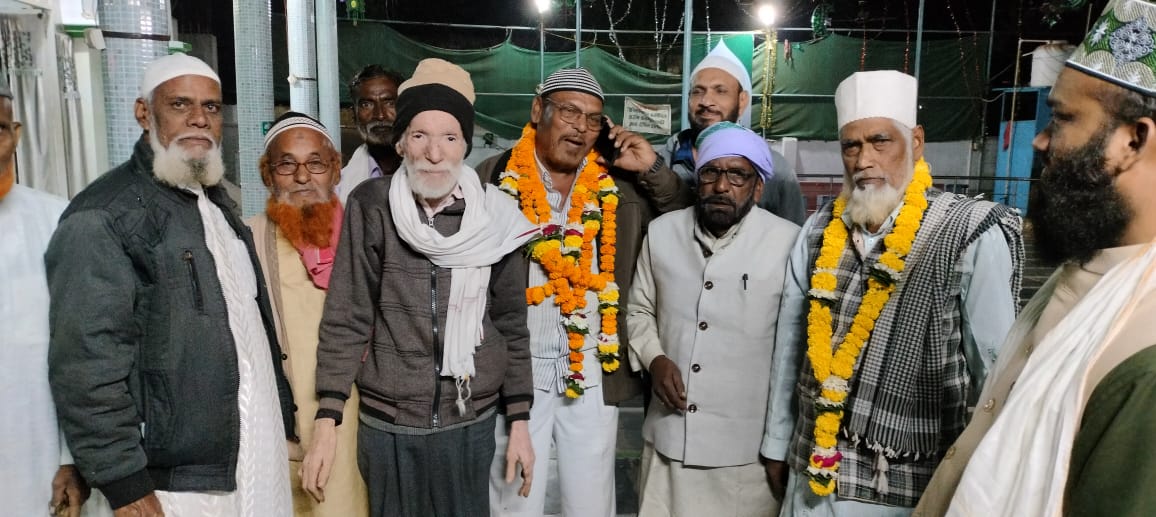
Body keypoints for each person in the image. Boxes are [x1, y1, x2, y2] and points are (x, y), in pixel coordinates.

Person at [916, 1, 1156, 514]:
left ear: (1133, 140)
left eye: (1063, 118)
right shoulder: (1085, 270)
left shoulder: (1146, 349)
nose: (1042, 140)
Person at [760, 69, 1024, 516]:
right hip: (812, 477)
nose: (864, 160)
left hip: (906, 486)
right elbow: (791, 346)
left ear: (916, 142)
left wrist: (994, 480)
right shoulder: (818, 230)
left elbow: (995, 372)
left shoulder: (969, 233)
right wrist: (776, 444)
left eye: (880, 141)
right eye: (851, 145)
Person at [46, 53, 296, 516]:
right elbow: (86, 363)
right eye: (180, 104)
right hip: (174, 481)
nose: (199, 118)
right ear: (144, 112)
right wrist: (124, 482)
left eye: (211, 107)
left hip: (255, 457)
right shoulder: (103, 214)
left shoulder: (216, 203)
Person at [302, 58, 537, 517]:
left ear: (465, 144)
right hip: (388, 424)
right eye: (419, 136)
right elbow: (348, 314)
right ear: (401, 142)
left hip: (469, 420)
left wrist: (521, 421)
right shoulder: (371, 205)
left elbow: (511, 322)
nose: (434, 152)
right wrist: (327, 418)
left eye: (449, 137)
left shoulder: (496, 216)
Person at [476, 67, 690, 516]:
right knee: (513, 501)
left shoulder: (618, 184)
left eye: (593, 119)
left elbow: (683, 215)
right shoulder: (494, 176)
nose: (580, 128)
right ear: (539, 109)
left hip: (592, 369)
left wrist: (651, 167)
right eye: (569, 112)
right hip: (517, 372)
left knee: (591, 504)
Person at [627, 122, 799, 516]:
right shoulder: (663, 233)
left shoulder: (789, 243)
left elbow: (795, 350)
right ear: (698, 178)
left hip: (745, 457)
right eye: (711, 172)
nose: (721, 186)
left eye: (737, 175)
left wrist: (781, 447)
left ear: (758, 187)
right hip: (667, 442)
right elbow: (639, 309)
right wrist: (655, 358)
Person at [247, 111, 369, 516]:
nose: (302, 177)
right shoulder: (246, 240)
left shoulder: (365, 233)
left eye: (315, 163)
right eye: (287, 165)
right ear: (268, 175)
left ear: (335, 169)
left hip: (356, 419)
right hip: (282, 424)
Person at [0, 80, 101, 517]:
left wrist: (74, 457)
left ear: (16, 134)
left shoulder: (57, 219)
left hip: (39, 461)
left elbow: (87, 350)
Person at [661, 42, 807, 224]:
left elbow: (793, 234)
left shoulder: (775, 169)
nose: (706, 101)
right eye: (698, 92)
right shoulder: (662, 162)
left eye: (720, 91)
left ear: (742, 100)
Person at [336, 65, 405, 203]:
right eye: (367, 105)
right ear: (354, 114)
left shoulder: (433, 175)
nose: (380, 115)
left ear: (405, 109)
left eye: (390, 103)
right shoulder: (340, 189)